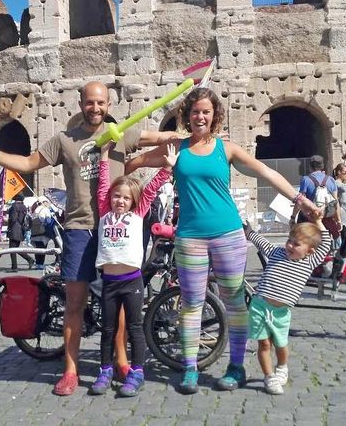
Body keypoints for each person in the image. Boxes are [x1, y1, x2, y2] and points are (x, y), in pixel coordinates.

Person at [0, 80, 180, 396]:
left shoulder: (122, 133)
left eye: (100, 102)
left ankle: (122, 362)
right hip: (79, 228)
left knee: (120, 303)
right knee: (74, 302)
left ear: (109, 105)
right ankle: (70, 370)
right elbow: (28, 163)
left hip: (116, 229)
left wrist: (198, 135)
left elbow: (163, 137)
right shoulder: (64, 140)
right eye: (90, 102)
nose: (95, 108)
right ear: (81, 103)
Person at [125, 87, 319, 394]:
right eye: (195, 112)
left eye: (206, 111)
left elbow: (266, 173)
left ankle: (236, 367)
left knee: (234, 303)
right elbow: (134, 162)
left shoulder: (226, 149)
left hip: (228, 234)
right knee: (191, 304)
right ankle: (190, 368)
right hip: (190, 236)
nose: (200, 117)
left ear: (215, 115)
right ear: (187, 115)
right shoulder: (177, 148)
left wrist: (301, 199)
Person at [90, 142, 175, 397]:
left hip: (131, 281)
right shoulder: (104, 213)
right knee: (108, 329)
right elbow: (103, 184)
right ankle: (105, 370)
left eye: (126, 198)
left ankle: (137, 372)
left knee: (135, 328)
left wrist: (167, 169)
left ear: (133, 201)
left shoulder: (138, 215)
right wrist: (104, 155)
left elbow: (150, 190)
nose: (120, 200)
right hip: (109, 282)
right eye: (117, 196)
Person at [244, 216, 332, 395]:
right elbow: (262, 242)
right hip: (260, 306)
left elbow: (326, 243)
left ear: (310, 251)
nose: (290, 246)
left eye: (296, 244)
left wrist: (318, 221)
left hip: (281, 313)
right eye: (289, 241)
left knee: (281, 345)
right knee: (264, 344)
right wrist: (249, 232)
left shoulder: (309, 262)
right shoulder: (277, 252)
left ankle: (282, 367)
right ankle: (269, 377)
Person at [293, 155, 341, 239]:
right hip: (326, 217)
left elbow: (300, 200)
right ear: (322, 166)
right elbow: (335, 202)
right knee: (328, 241)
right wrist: (338, 220)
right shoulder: (331, 180)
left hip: (310, 218)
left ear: (310, 166)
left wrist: (293, 216)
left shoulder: (306, 179)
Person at [6, 194, 35, 271]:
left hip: (14, 229)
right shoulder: (24, 207)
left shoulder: (14, 206)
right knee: (15, 248)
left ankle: (15, 266)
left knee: (12, 249)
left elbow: (13, 218)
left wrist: (8, 223)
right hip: (21, 229)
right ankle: (28, 259)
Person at [333, 163, 346, 236]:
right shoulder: (336, 183)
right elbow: (343, 188)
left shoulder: (343, 183)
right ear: (339, 172)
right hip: (343, 213)